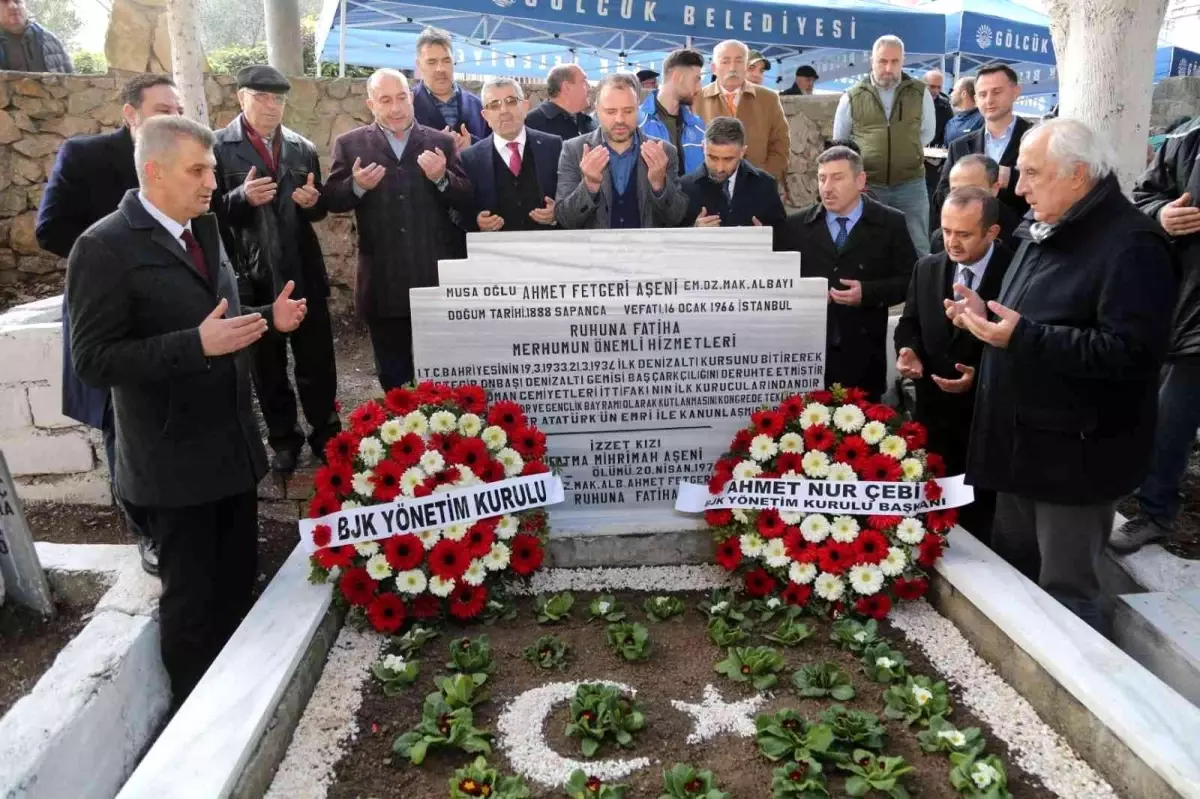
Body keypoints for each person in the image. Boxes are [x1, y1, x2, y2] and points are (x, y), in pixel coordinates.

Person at [67, 115, 309, 706]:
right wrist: (192, 346)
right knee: (192, 608)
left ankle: (239, 710)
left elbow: (216, 309)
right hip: (173, 466)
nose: (210, 181)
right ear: (153, 171)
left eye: (210, 169)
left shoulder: (202, 228)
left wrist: (264, 318)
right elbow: (93, 361)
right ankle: (194, 729)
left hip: (230, 449)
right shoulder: (103, 247)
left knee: (236, 589)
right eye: (196, 170)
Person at [947, 119, 1177, 631]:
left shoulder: (1132, 244)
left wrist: (1021, 336)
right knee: (1015, 576)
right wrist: (984, 318)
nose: (1019, 187)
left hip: (1074, 458)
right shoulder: (1044, 224)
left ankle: (1074, 703)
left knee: (1066, 595)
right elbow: (1030, 314)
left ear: (1076, 175)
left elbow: (1132, 353)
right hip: (1019, 444)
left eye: (1031, 173)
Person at [36, 73, 182, 576]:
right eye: (162, 107)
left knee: (164, 415)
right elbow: (50, 229)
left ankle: (178, 515)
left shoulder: (182, 160)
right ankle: (147, 533)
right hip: (111, 313)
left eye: (177, 108)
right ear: (131, 113)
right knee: (120, 426)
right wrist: (116, 256)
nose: (172, 116)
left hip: (169, 314)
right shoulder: (85, 156)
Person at [212, 65, 340, 474]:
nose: (271, 106)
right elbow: (206, 212)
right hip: (252, 277)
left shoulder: (301, 147)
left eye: (278, 99)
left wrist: (312, 202)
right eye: (261, 97)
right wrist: (239, 196)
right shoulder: (217, 148)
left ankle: (327, 434)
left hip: (303, 269)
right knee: (267, 368)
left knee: (317, 361)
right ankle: (283, 439)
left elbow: (318, 208)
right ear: (241, 98)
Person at [324, 69, 472, 391]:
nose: (395, 108)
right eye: (385, 100)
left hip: (434, 281)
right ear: (370, 104)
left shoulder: (441, 142)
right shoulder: (350, 146)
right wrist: (356, 186)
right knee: (395, 383)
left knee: (442, 381)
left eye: (402, 97)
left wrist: (442, 178)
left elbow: (466, 198)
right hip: (383, 283)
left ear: (412, 97)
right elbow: (331, 200)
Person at [895, 187, 1013, 542]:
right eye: (946, 231)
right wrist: (908, 351)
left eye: (964, 234)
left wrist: (979, 377)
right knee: (937, 502)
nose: (952, 242)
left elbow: (1024, 336)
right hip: (934, 410)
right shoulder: (928, 267)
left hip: (987, 416)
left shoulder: (1015, 271)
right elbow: (909, 322)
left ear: (992, 232)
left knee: (980, 517)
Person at [1110, 116, 1200, 553]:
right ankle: (1155, 512)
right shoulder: (1188, 139)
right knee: (1170, 418)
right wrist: (1162, 213)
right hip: (1189, 310)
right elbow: (1143, 197)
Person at [779, 146, 915, 399]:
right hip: (810, 355)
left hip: (863, 355)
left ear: (860, 180)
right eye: (822, 178)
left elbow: (910, 281)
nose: (827, 187)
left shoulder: (890, 223)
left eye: (837, 178)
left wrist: (868, 293)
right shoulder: (797, 226)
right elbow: (781, 284)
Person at [833, 35, 937, 256]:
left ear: (903, 61)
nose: (888, 68)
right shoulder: (852, 96)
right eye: (882, 61)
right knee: (868, 246)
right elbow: (841, 141)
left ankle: (920, 290)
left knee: (918, 244)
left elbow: (927, 132)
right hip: (870, 185)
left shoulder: (919, 92)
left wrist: (905, 152)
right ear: (872, 60)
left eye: (895, 61)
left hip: (911, 184)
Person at [555, 72, 687, 230]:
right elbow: (565, 220)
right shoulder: (573, 150)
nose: (620, 120)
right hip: (596, 253)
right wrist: (589, 186)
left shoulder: (664, 151)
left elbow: (677, 217)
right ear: (597, 109)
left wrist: (660, 184)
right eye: (611, 112)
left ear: (638, 107)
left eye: (628, 111)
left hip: (647, 252)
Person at [458, 77, 562, 233]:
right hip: (496, 252)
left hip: (548, 248)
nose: (504, 111)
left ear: (526, 106)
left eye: (511, 101)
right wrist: (477, 221)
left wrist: (558, 212)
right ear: (485, 116)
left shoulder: (554, 146)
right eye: (494, 105)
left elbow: (570, 198)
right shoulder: (470, 158)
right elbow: (460, 211)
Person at [935, 63, 1031, 219]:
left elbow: (1050, 189)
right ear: (975, 99)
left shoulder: (1036, 140)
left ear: (1016, 92)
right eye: (982, 94)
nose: (989, 100)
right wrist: (965, 186)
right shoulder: (960, 146)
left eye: (997, 92)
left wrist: (1011, 178)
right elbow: (939, 197)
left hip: (1018, 236)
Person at [694, 40, 790, 182]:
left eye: (739, 61)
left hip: (756, 187)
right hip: (709, 186)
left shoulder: (768, 99)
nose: (732, 68)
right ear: (714, 67)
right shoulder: (696, 100)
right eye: (725, 61)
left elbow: (780, 146)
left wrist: (763, 179)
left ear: (745, 66)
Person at [682, 116, 786, 238]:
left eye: (728, 159)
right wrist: (693, 231)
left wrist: (765, 237)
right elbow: (669, 242)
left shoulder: (765, 185)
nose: (719, 168)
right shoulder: (685, 187)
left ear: (742, 152)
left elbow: (784, 238)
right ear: (703, 147)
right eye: (713, 158)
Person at [411, 27, 488, 151]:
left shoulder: (478, 105)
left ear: (454, 62)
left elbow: (493, 150)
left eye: (446, 60)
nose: (440, 68)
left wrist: (472, 146)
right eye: (432, 62)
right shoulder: (408, 105)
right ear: (419, 65)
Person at [930, 155, 1020, 253]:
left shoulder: (1016, 236)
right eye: (955, 190)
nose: (962, 197)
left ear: (995, 189)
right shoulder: (939, 239)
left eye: (972, 191)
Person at [638, 48, 706, 176]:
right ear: (678, 77)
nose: (699, 88)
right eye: (696, 79)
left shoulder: (699, 127)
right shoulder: (637, 124)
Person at [525, 64, 597, 141]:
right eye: (583, 81)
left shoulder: (589, 121)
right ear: (566, 87)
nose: (589, 88)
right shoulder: (531, 123)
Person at [0, 0, 72, 72]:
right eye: (5, 1)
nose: (13, 6)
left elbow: (72, 77)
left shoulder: (51, 40)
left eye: (17, 1)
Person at [944, 77, 983, 144]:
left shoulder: (982, 119)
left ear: (963, 94)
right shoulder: (950, 123)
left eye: (953, 90)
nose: (951, 94)